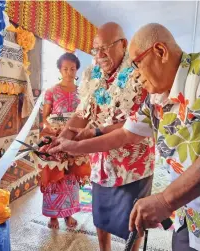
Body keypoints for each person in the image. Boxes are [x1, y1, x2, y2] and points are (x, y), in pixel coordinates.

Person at [49, 23, 200, 251]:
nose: (137, 74)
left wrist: (166, 200)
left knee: (131, 230)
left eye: (138, 63)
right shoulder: (156, 97)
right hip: (188, 215)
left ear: (160, 51)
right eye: (95, 50)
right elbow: (126, 132)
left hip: (146, 180)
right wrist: (75, 142)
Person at [49, 22, 155, 251]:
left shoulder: (140, 74)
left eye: (105, 48)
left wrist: (80, 144)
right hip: (101, 165)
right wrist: (63, 137)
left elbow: (130, 128)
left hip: (133, 166)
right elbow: (82, 112)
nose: (100, 55)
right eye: (96, 49)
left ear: (123, 44)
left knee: (132, 224)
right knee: (101, 217)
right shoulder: (93, 74)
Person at [40, 52, 90, 229]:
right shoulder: (51, 91)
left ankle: (68, 214)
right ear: (60, 70)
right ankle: (53, 215)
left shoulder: (82, 92)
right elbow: (45, 117)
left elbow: (85, 115)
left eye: (72, 68)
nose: (69, 72)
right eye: (65, 69)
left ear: (77, 70)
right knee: (54, 176)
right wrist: (52, 129)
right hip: (54, 137)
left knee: (71, 175)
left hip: (74, 137)